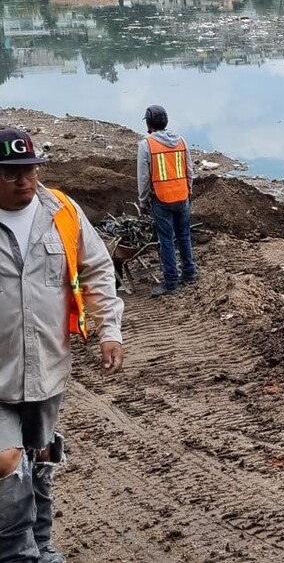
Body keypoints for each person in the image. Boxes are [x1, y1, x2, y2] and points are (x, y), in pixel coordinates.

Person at [0, 127, 124, 563]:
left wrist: (110, 330)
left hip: (48, 367)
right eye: (11, 172)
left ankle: (43, 543)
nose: (24, 179)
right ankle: (17, 553)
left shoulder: (63, 213)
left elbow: (96, 270)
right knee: (6, 459)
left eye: (29, 169)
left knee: (41, 456)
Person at [137, 105, 196, 297]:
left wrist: (143, 202)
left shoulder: (146, 144)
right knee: (184, 236)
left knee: (167, 241)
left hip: (162, 199)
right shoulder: (181, 141)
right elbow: (189, 170)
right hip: (182, 197)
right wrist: (188, 190)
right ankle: (189, 273)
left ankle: (171, 281)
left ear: (148, 123)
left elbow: (144, 178)